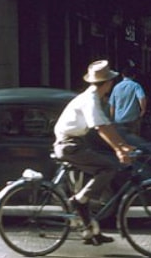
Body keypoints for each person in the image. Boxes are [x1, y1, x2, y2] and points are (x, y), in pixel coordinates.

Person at [53, 60, 136, 245]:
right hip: (69, 145)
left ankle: (91, 232)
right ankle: (79, 202)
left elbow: (107, 125)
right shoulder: (90, 100)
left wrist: (123, 145)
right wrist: (118, 150)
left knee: (85, 188)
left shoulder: (93, 98)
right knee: (108, 168)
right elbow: (99, 127)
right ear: (107, 83)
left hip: (75, 143)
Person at [108, 66, 147, 137]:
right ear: (133, 76)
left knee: (122, 140)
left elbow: (112, 105)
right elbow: (142, 98)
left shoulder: (116, 87)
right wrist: (143, 111)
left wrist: (112, 119)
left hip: (119, 119)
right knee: (134, 139)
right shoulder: (136, 86)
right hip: (133, 118)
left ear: (122, 75)